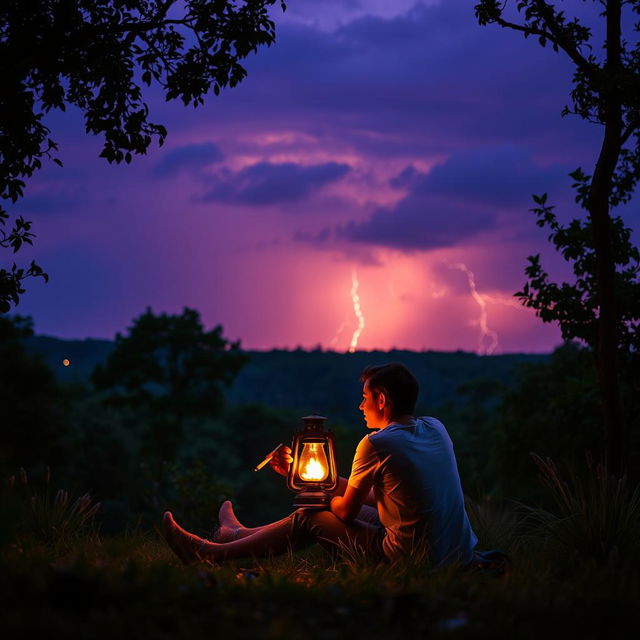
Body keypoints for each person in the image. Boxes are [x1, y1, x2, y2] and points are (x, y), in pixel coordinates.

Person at [161, 362, 478, 567]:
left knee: (309, 516)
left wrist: (320, 496)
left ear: (381, 400)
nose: (360, 405)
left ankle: (209, 552)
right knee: (338, 507)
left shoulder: (377, 443)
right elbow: (377, 498)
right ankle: (235, 534)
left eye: (365, 397)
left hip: (414, 560)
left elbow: (345, 512)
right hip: (455, 553)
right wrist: (302, 476)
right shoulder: (436, 428)